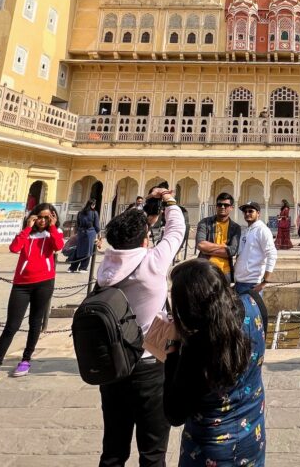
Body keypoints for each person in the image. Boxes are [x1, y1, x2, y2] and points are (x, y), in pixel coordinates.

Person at [94, 187, 184, 467]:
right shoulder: (152, 264)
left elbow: (125, 239)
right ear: (145, 239)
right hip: (148, 367)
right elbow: (177, 228)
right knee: (152, 452)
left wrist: (144, 216)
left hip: (113, 367)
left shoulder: (106, 268)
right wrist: (167, 199)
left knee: (113, 449)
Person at [164, 258, 267, 466]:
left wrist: (172, 351)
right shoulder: (255, 302)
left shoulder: (198, 347)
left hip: (210, 450)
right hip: (252, 435)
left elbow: (175, 414)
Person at [0, 203, 64, 384]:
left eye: (46, 218)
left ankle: (26, 359)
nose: (42, 221)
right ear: (33, 216)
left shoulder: (52, 234)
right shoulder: (26, 234)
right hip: (22, 284)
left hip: (44, 283)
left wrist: (54, 227)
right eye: (39, 216)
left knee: (35, 323)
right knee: (12, 325)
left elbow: (58, 247)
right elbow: (14, 248)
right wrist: (27, 228)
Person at [234, 201, 276, 330]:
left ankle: (254, 349)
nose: (247, 214)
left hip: (252, 284)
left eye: (251, 211)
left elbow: (272, 254)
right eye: (245, 211)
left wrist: (265, 281)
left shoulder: (262, 230)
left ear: (258, 213)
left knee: (252, 322)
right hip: (240, 282)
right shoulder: (247, 231)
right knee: (242, 321)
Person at [196, 192, 241, 280]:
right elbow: (201, 245)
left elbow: (232, 251)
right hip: (205, 268)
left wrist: (207, 250)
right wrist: (223, 246)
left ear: (231, 208)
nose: (222, 207)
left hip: (225, 271)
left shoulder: (235, 228)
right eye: (220, 204)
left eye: (226, 205)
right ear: (216, 206)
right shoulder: (205, 222)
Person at [69, 198, 100, 272]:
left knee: (78, 250)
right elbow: (97, 226)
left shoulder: (80, 213)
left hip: (81, 232)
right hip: (90, 233)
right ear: (93, 205)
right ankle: (83, 268)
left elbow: (78, 224)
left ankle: (72, 268)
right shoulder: (94, 213)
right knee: (88, 251)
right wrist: (98, 233)